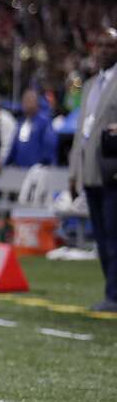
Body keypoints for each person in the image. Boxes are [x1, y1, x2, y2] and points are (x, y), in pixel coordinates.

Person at [68, 28, 117, 312]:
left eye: (110, 45)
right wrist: (74, 172)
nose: (103, 50)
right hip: (89, 171)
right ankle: (111, 290)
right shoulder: (88, 86)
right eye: (99, 45)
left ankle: (113, 295)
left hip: (112, 169)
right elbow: (80, 133)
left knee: (113, 235)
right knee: (101, 235)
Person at [7, 88, 58, 168]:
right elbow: (14, 147)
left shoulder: (44, 122)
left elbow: (49, 144)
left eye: (29, 100)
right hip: (19, 170)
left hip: (39, 170)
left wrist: (43, 164)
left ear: (37, 102)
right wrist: (6, 163)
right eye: (24, 101)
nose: (26, 103)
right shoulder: (21, 123)